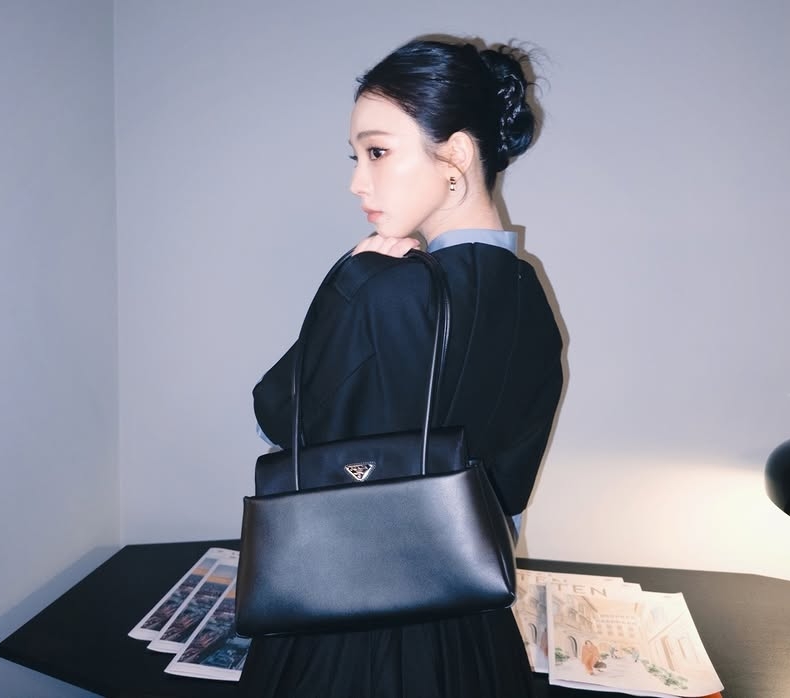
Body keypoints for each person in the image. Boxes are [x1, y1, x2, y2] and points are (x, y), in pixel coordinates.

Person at [239, 36, 564, 698]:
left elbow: (279, 415)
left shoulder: (390, 291)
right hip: (471, 623)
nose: (357, 181)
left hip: (354, 629)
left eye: (378, 152)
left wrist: (350, 285)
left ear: (457, 155)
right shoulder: (527, 291)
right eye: (357, 156)